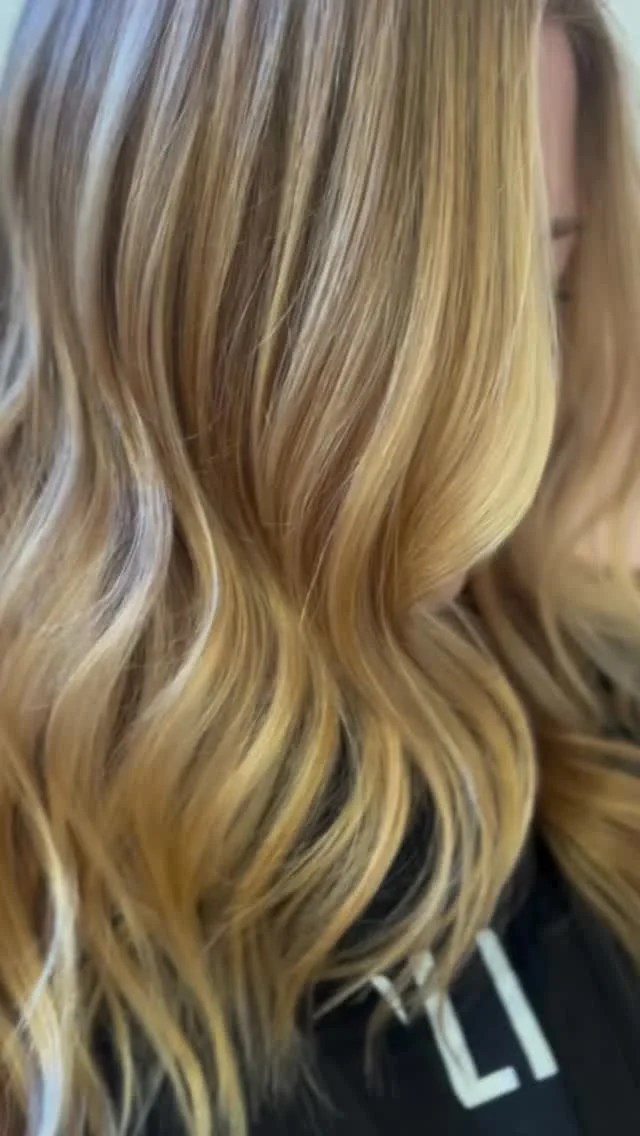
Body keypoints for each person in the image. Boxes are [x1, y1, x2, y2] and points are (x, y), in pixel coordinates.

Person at [0, 1, 639, 1133]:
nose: (515, 414)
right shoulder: (34, 881)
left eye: (543, 293)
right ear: (157, 273)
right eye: (423, 313)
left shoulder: (591, 703)